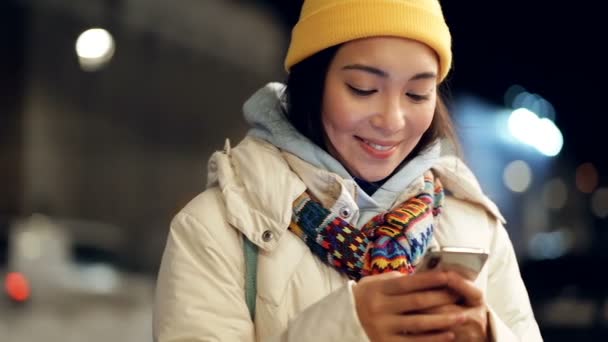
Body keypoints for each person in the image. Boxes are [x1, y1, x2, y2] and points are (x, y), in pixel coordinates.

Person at [153, 0, 543, 341]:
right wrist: (348, 329)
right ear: (312, 83)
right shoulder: (214, 230)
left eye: (416, 94)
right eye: (362, 88)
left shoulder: (477, 229)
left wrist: (487, 336)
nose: (392, 120)